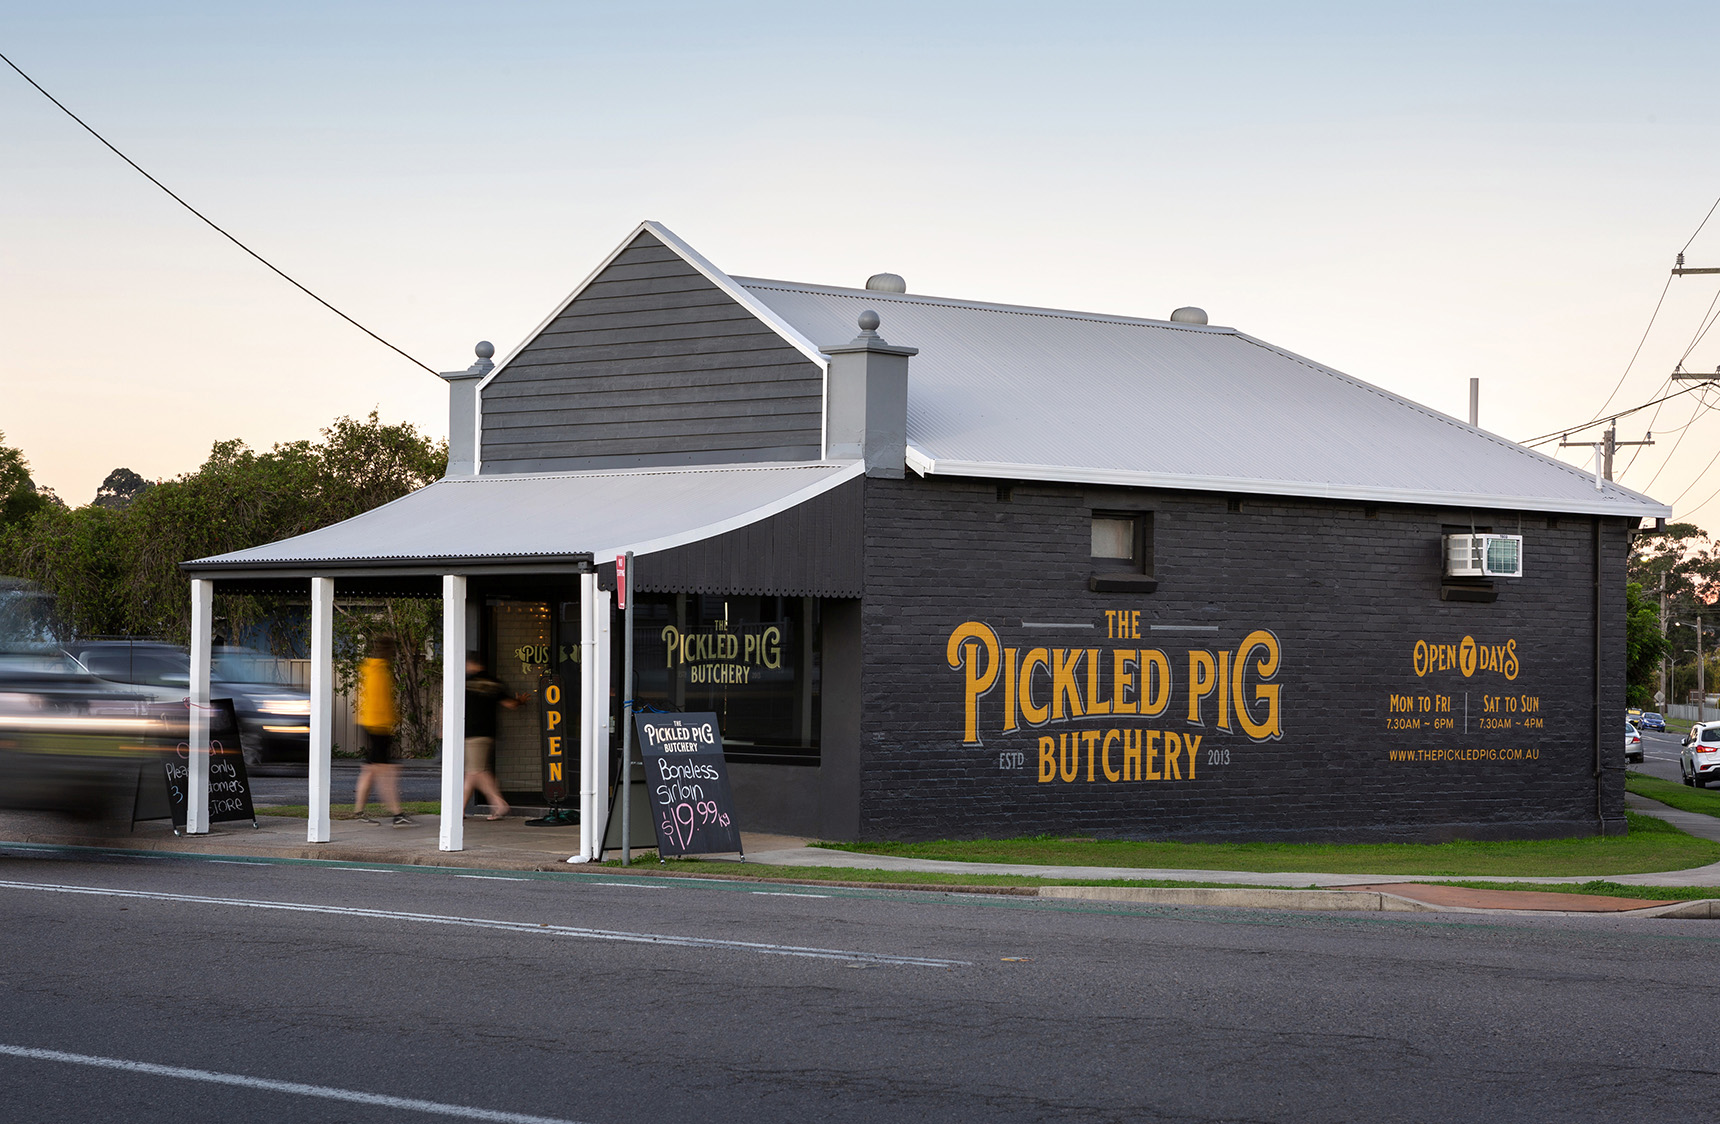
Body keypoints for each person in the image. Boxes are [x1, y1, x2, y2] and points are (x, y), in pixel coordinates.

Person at [352, 637, 411, 826]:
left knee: (370, 770)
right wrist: (391, 722)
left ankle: (359, 812)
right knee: (387, 772)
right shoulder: (379, 671)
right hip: (379, 727)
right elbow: (381, 702)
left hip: (372, 724)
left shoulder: (371, 669)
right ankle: (397, 814)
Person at [463, 657, 518, 820]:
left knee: (476, 771)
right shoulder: (493, 682)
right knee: (475, 771)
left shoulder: (464, 683)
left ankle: (499, 804)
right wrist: (520, 701)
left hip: (471, 733)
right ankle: (460, 809)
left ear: (473, 664)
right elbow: (510, 704)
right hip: (488, 732)